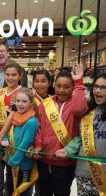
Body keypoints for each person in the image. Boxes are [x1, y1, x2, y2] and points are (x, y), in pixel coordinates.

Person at [55, 47, 106, 195]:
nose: (98, 90)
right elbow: (80, 139)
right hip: (83, 172)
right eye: (96, 86)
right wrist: (67, 150)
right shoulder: (89, 112)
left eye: (104, 88)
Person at [33, 63, 88, 196]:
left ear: (73, 88)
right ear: (54, 85)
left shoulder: (75, 104)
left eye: (67, 87)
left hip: (66, 161)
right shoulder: (45, 104)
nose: (61, 90)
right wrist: (38, 145)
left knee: (61, 192)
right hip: (44, 159)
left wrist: (79, 83)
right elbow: (39, 128)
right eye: (58, 86)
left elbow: (80, 110)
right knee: (44, 191)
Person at [0, 62, 22, 196]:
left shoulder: (23, 93)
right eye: (8, 75)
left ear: (20, 76)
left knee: (12, 168)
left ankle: (8, 191)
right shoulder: (0, 92)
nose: (10, 78)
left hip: (15, 138)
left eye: (14, 75)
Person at [1, 87, 38, 196]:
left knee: (22, 191)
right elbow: (8, 132)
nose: (20, 104)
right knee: (10, 188)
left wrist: (14, 160)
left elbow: (25, 143)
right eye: (18, 101)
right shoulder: (15, 116)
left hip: (23, 164)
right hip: (10, 160)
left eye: (24, 101)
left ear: (31, 103)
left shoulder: (31, 122)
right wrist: (5, 139)